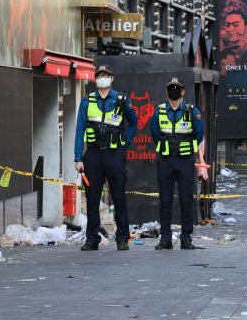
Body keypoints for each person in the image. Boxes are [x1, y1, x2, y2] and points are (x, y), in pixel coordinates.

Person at [74, 65, 138, 251]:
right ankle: (92, 238)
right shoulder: (87, 101)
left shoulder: (121, 100)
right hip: (93, 154)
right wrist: (78, 158)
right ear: (95, 79)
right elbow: (79, 131)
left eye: (106, 75)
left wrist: (125, 144)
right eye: (99, 75)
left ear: (112, 78)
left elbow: (133, 122)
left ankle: (122, 238)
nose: (102, 78)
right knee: (92, 198)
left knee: (118, 196)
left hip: (114, 153)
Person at [150, 77, 205, 250]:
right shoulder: (159, 111)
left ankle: (186, 238)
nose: (174, 90)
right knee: (165, 200)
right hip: (165, 160)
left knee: (186, 199)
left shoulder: (191, 111)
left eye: (177, 88)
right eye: (171, 88)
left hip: (185, 161)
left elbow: (199, 134)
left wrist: (186, 148)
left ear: (182, 92)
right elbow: (154, 133)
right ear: (167, 92)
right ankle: (165, 238)